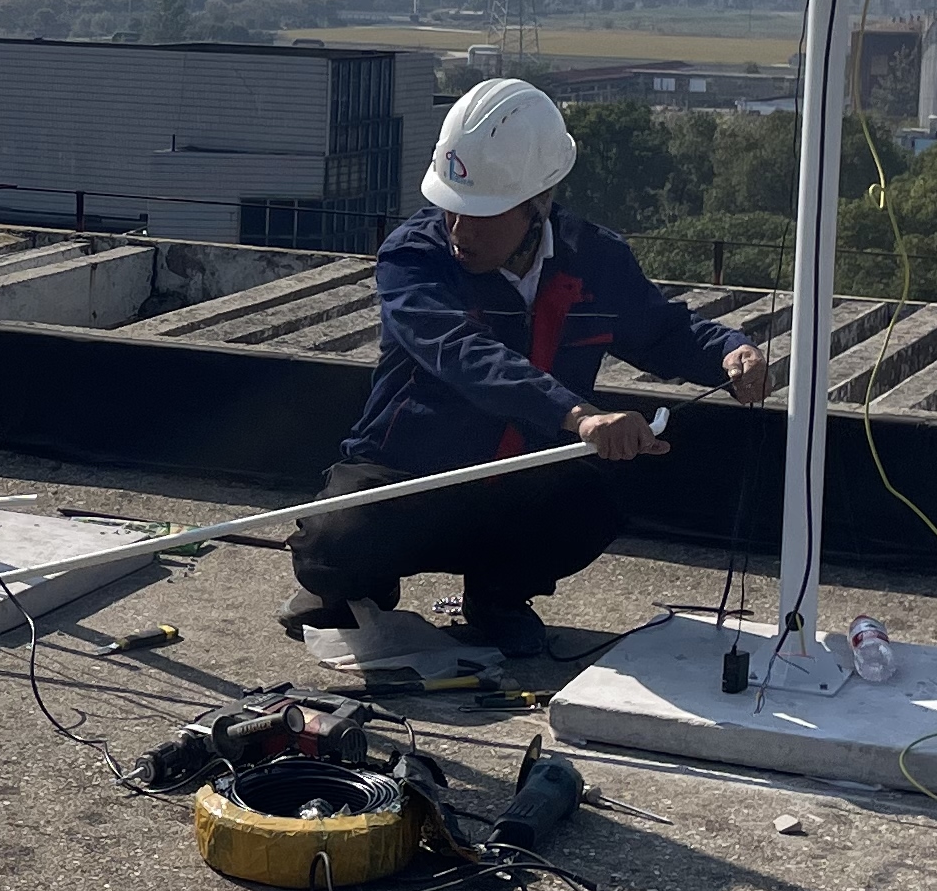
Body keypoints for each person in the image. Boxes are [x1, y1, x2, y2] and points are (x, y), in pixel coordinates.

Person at [285, 77, 771, 677]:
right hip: (409, 472)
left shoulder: (596, 258)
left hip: (526, 475)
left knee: (608, 489)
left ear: (538, 203)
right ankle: (360, 585)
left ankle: (498, 597)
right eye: (451, 208)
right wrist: (580, 416)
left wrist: (730, 351)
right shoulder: (412, 257)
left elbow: (661, 331)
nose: (459, 231)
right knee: (331, 546)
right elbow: (463, 353)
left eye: (481, 215)